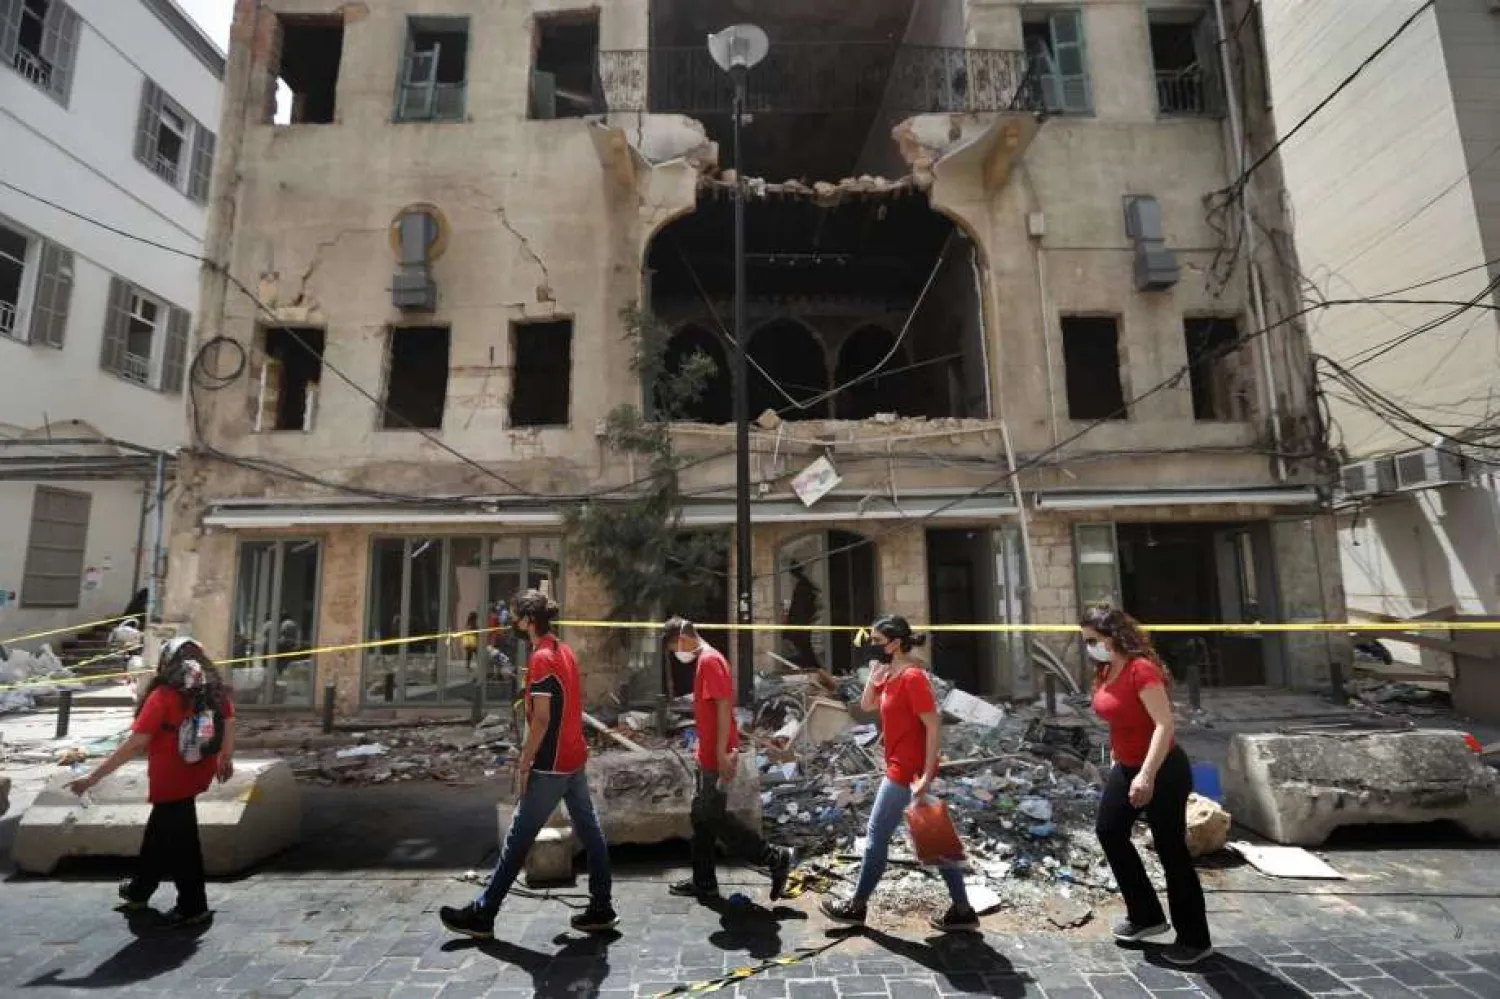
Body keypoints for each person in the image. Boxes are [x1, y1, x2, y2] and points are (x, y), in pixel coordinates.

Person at [441, 590, 616, 938]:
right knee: (592, 833)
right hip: (573, 758)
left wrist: (524, 761)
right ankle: (601, 907)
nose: (511, 623)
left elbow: (542, 720)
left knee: (519, 838)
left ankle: (484, 914)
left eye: (514, 616)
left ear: (527, 620)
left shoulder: (541, 659)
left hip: (550, 764)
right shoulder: (563, 651)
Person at [820, 615, 979, 932]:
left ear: (895, 642)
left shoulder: (913, 678)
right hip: (901, 768)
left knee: (876, 837)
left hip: (906, 772)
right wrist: (873, 676)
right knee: (936, 841)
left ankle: (856, 906)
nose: (872, 647)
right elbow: (866, 705)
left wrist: (927, 775)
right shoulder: (891, 674)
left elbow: (934, 726)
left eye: (877, 641)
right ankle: (963, 910)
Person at [67, 636, 236, 928]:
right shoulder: (215, 693)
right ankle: (139, 890)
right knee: (161, 833)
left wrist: (93, 777)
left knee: (183, 845)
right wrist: (225, 759)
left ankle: (193, 906)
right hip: (199, 771)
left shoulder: (162, 697)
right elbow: (230, 724)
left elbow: (135, 744)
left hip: (170, 778)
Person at [1081, 604, 1213, 967]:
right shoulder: (1106, 670)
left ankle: (1195, 939)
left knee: (1171, 851)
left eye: (1093, 640)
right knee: (1109, 831)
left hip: (1163, 770)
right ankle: (1147, 916)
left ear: (1112, 636)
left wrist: (1147, 774)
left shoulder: (1142, 670)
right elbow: (1120, 720)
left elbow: (1163, 725)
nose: (1089, 647)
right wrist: (1119, 762)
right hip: (1126, 766)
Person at [662, 617, 794, 901]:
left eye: (675, 648)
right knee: (701, 818)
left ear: (683, 639)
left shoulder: (710, 661)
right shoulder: (708, 660)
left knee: (713, 817)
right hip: (709, 752)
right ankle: (703, 880)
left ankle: (773, 857)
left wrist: (721, 752)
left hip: (715, 755)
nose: (677, 654)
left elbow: (724, 709)